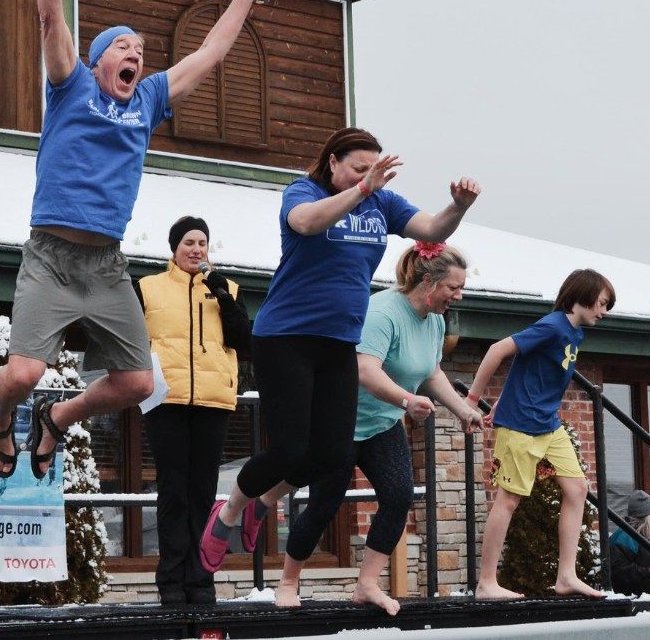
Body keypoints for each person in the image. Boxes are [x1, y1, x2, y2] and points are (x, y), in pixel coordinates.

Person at [0, 0, 281, 482]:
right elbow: (48, 17)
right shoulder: (72, 85)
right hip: (51, 255)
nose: (136, 55)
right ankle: (0, 421)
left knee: (139, 381)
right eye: (123, 47)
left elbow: (210, 55)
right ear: (98, 59)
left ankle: (57, 419)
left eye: (141, 50)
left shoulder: (147, 100)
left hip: (106, 265)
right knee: (21, 375)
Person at [199, 126, 481, 573]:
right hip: (285, 338)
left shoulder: (382, 204)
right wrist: (363, 188)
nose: (367, 178)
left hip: (338, 344)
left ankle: (259, 505)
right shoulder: (303, 192)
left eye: (373, 170)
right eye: (357, 169)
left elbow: (431, 228)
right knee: (290, 450)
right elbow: (306, 222)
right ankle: (230, 510)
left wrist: (459, 207)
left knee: (331, 455)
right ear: (333, 162)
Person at [272, 243, 484, 611]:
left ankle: (366, 585)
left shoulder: (434, 321)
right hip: (339, 420)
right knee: (325, 503)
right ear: (429, 282)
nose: (459, 295)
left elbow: (431, 372)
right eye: (454, 287)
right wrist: (406, 400)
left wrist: (463, 409)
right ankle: (288, 583)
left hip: (381, 425)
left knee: (399, 496)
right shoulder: (383, 312)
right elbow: (365, 369)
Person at [467, 268, 615, 600]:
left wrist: (500, 402)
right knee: (509, 499)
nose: (604, 312)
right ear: (583, 295)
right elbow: (497, 350)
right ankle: (486, 583)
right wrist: (472, 400)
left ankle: (566, 575)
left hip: (549, 425)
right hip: (521, 427)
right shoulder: (552, 326)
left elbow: (527, 371)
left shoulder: (575, 333)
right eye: (602, 303)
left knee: (577, 488)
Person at [137, 216, 251, 606]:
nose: (196, 249)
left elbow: (243, 340)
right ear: (174, 248)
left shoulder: (227, 288)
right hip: (165, 400)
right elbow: (130, 341)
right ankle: (171, 582)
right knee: (173, 489)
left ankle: (201, 581)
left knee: (202, 491)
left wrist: (221, 294)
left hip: (212, 401)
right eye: (189, 242)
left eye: (203, 242)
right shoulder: (148, 288)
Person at [609, 490, 650, 598]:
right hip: (633, 606)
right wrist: (648, 572)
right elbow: (618, 574)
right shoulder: (623, 538)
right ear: (646, 516)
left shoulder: (647, 538)